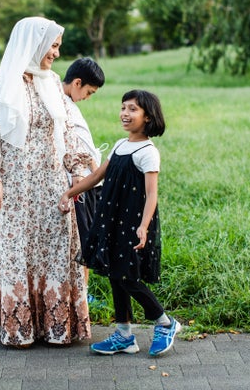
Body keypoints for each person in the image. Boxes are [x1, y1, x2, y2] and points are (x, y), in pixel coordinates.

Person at [0, 16, 92, 348]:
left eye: (59, 46)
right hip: (11, 189)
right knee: (16, 254)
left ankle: (55, 327)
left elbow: (69, 131)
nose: (56, 53)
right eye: (53, 45)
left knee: (54, 254)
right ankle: (19, 329)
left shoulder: (52, 82)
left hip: (51, 188)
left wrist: (77, 173)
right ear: (33, 42)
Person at [58, 89, 180, 357]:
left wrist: (144, 226)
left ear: (148, 117)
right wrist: (70, 192)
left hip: (132, 224)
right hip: (111, 221)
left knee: (128, 277)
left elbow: (152, 195)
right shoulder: (119, 145)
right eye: (123, 107)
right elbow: (98, 175)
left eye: (133, 109)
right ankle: (124, 335)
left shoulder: (148, 152)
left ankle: (165, 322)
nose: (125, 114)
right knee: (115, 275)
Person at [61, 58, 106, 284]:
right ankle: (82, 293)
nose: (88, 98)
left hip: (88, 181)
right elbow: (80, 149)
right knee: (82, 240)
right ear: (77, 83)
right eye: (89, 92)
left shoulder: (68, 104)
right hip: (78, 182)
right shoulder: (61, 105)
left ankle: (82, 292)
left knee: (86, 239)